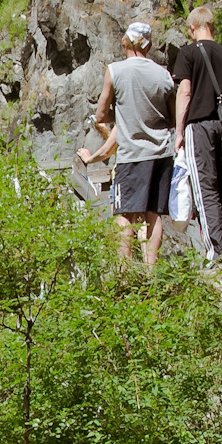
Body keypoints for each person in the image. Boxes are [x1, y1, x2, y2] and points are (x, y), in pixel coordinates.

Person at [75, 20, 176, 264]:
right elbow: (172, 117)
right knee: (155, 214)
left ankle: (124, 271)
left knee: (124, 213)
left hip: (133, 155)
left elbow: (100, 115)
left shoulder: (116, 70)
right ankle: (152, 273)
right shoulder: (163, 75)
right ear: (149, 45)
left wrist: (122, 114)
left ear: (125, 42)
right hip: (162, 153)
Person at [171, 7, 222, 259]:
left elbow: (185, 92)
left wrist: (179, 132)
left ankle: (216, 253)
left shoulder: (188, 53)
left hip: (198, 126)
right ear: (211, 26)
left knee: (206, 189)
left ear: (192, 28)